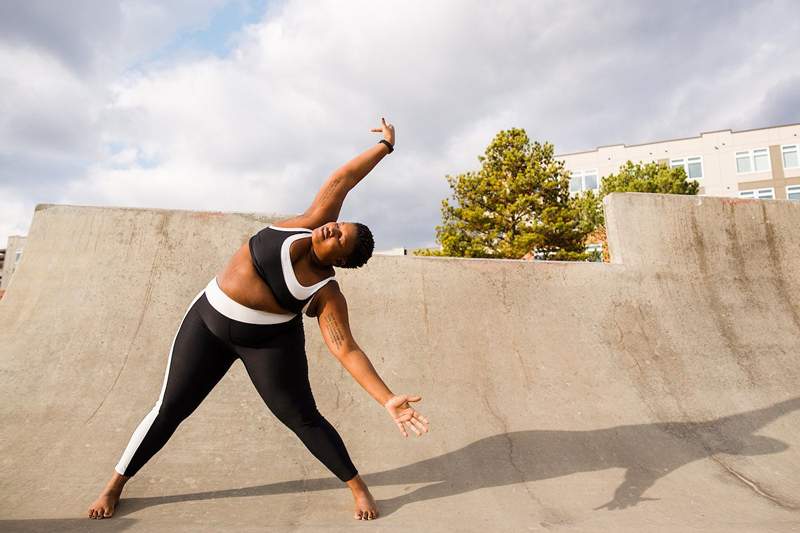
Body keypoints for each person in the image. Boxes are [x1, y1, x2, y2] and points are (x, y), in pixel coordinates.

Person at [88, 118, 429, 522]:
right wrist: (385, 147)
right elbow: (344, 179)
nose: (333, 228)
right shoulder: (310, 220)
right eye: (339, 225)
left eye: (340, 236)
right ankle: (114, 485)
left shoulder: (326, 292)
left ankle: (357, 486)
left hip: (268, 344)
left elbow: (345, 348)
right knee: (170, 409)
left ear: (339, 259)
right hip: (208, 321)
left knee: (303, 418)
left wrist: (386, 398)